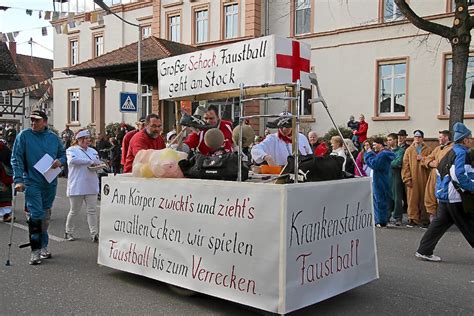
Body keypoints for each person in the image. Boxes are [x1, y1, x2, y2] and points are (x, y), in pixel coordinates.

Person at [11, 110, 66, 265]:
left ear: (45, 122)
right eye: (32, 120)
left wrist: (60, 161)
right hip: (31, 182)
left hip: (49, 182)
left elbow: (63, 155)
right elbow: (16, 158)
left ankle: (43, 246)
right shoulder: (24, 136)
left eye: (37, 120)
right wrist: (19, 179)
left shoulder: (53, 138)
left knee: (45, 216)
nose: (33, 123)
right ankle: (35, 251)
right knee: (36, 215)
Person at [415, 122, 474, 262]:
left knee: (438, 224)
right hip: (456, 197)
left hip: (445, 196)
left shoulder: (452, 151)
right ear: (465, 140)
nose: (472, 140)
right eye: (470, 137)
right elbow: (458, 174)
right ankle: (424, 250)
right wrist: (471, 187)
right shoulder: (462, 153)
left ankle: (424, 250)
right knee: (470, 225)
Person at [64, 129, 102, 242]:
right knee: (74, 211)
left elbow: (97, 162)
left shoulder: (93, 151)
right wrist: (89, 162)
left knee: (92, 210)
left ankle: (94, 233)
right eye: (85, 138)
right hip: (77, 185)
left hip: (91, 184)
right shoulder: (71, 150)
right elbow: (73, 161)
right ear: (78, 140)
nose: (87, 140)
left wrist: (100, 166)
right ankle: (68, 231)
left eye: (88, 138)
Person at [401, 130, 432, 227]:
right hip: (412, 178)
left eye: (419, 137)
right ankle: (413, 218)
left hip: (424, 178)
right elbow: (405, 165)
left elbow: (431, 162)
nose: (417, 139)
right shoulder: (409, 150)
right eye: (415, 137)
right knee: (412, 199)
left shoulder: (428, 150)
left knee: (424, 199)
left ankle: (424, 219)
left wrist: (423, 159)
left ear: (422, 138)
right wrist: (407, 178)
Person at [364, 137, 395, 227]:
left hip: (380, 181)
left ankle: (381, 220)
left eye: (374, 145)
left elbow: (374, 164)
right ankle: (379, 220)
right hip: (378, 180)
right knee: (378, 200)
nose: (373, 147)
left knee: (380, 201)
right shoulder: (382, 154)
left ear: (380, 144)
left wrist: (368, 153)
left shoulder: (383, 154)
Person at [422, 130, 453, 221]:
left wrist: (438, 164)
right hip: (433, 176)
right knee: (430, 195)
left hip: (444, 177)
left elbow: (446, 163)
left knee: (441, 197)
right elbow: (427, 159)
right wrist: (432, 163)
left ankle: (443, 218)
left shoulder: (452, 148)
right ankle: (432, 217)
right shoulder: (437, 148)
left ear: (446, 137)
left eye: (440, 137)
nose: (438, 139)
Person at [386, 133, 405, 226]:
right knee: (388, 196)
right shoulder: (387, 151)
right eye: (388, 140)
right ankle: (387, 216)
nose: (388, 142)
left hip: (396, 175)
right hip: (388, 175)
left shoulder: (401, 151)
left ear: (395, 140)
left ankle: (398, 217)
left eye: (390, 140)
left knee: (397, 197)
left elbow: (398, 162)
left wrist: (389, 163)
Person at [0, 139, 13, 222]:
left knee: (5, 198)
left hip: (3, 177)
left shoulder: (5, 149)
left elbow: (11, 162)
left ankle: (6, 215)